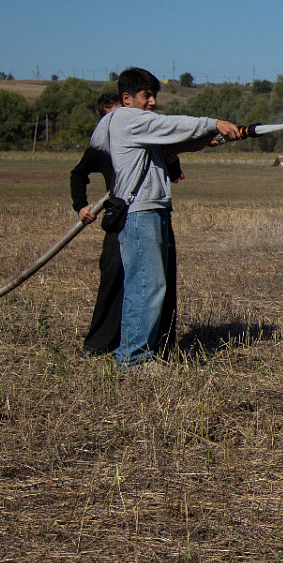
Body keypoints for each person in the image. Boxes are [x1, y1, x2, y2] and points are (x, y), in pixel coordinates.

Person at [90, 68, 240, 371]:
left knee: (149, 285)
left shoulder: (138, 125)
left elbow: (174, 141)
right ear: (127, 98)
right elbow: (171, 125)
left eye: (154, 95)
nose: (153, 102)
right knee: (146, 286)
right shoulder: (125, 118)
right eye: (147, 96)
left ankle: (137, 352)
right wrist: (214, 123)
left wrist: (209, 137)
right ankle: (134, 358)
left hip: (154, 210)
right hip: (140, 213)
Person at [71, 90, 183, 357]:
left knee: (158, 282)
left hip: (154, 214)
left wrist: (172, 160)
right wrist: (81, 206)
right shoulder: (102, 146)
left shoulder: (148, 138)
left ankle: (159, 345)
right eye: (112, 117)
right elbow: (78, 174)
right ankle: (102, 344)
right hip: (122, 217)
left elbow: (174, 173)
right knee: (114, 279)